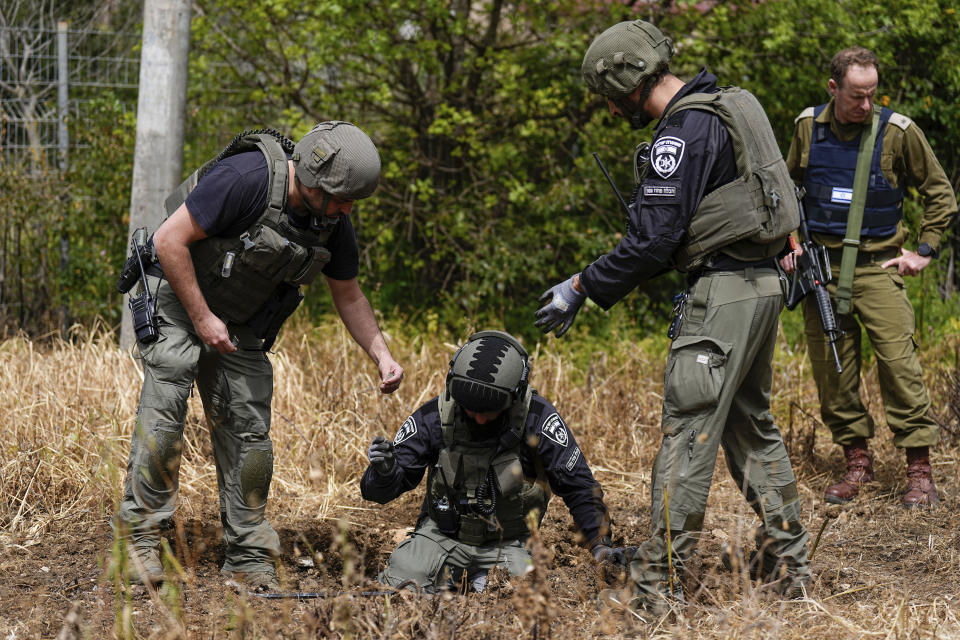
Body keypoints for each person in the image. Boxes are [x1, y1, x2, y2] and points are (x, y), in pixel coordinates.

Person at [535, 20, 811, 610]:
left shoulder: (681, 133)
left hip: (724, 297)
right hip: (763, 286)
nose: (612, 112)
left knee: (688, 435)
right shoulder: (731, 106)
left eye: (611, 99)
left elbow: (652, 243)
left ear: (631, 81)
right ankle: (790, 566)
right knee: (749, 425)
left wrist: (582, 284)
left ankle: (656, 587)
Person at [113, 122, 404, 591]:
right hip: (177, 294)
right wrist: (204, 319)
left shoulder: (331, 219)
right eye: (345, 198)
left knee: (251, 435)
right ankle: (140, 541)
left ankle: (249, 556)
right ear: (313, 181)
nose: (350, 209)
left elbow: (348, 294)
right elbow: (169, 241)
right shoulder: (245, 179)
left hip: (238, 320)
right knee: (165, 415)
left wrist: (381, 355)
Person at [782, 47, 957, 508]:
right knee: (833, 372)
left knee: (901, 368)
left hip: (878, 268)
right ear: (833, 88)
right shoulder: (808, 127)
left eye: (872, 95)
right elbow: (783, 193)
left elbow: (940, 192)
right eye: (857, 96)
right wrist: (789, 245)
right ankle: (856, 462)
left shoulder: (898, 132)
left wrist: (924, 250)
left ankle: (919, 469)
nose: (865, 106)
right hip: (822, 271)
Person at [361, 330, 623, 593]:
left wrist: (600, 547)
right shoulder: (435, 416)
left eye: (490, 412)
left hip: (509, 545)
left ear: (515, 396)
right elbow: (377, 493)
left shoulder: (538, 419)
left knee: (524, 595)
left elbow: (579, 487)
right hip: (441, 538)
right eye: (470, 410)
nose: (479, 419)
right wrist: (383, 472)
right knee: (401, 582)